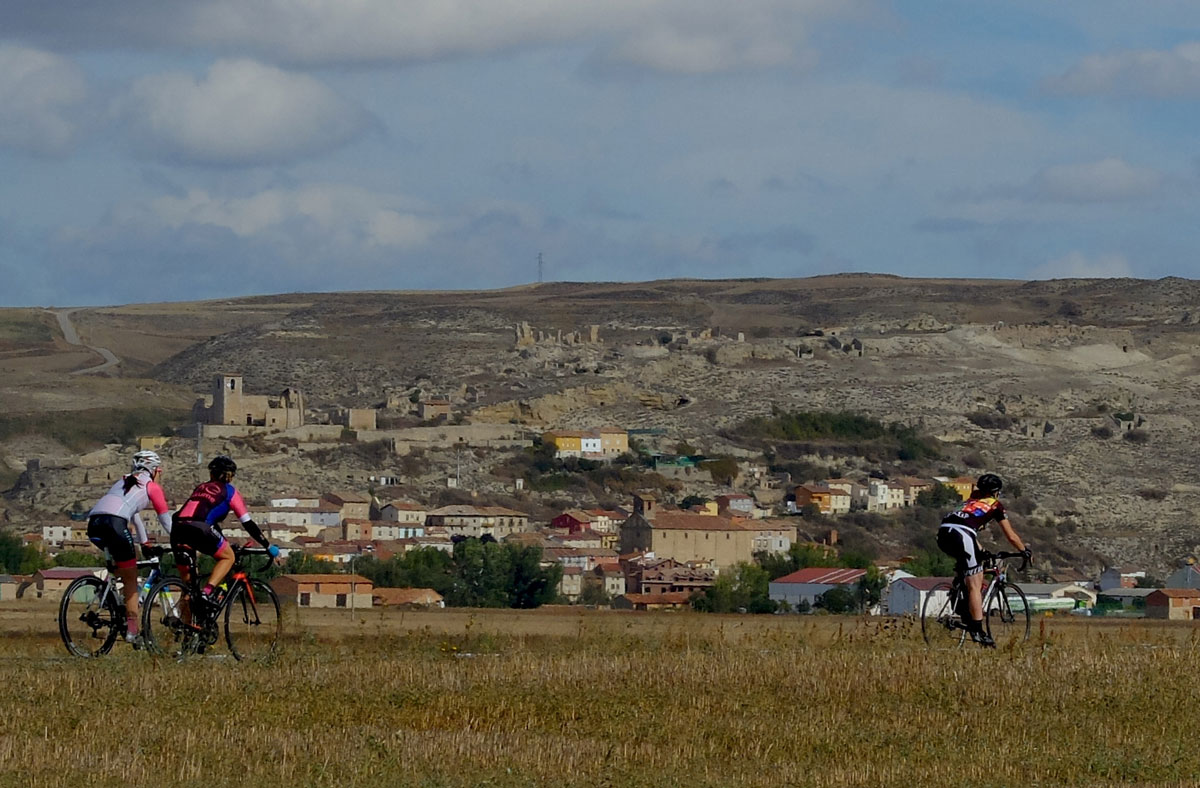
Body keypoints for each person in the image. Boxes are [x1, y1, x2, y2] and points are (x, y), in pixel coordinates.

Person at [171, 455, 278, 621]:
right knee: (228, 556)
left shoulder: (201, 487)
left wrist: (223, 541)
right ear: (230, 476)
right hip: (201, 527)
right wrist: (267, 545)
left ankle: (187, 632)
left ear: (212, 474)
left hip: (178, 528)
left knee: (189, 588)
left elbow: (204, 516)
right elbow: (247, 523)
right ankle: (207, 593)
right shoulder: (230, 492)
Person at [86, 450, 173, 645]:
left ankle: (106, 593)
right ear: (154, 470)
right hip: (115, 522)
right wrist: (182, 541)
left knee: (124, 563)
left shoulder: (123, 481)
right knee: (131, 577)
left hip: (94, 522)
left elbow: (134, 515)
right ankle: (133, 632)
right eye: (159, 472)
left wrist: (145, 543)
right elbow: (166, 522)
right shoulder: (151, 487)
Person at [936, 473, 1031, 648]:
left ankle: (960, 598)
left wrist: (982, 551)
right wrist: (1024, 551)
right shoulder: (995, 505)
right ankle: (977, 629)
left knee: (971, 567)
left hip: (944, 533)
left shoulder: (970, 500)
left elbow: (967, 530)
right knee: (976, 581)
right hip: (962, 535)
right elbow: (1011, 536)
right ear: (996, 492)